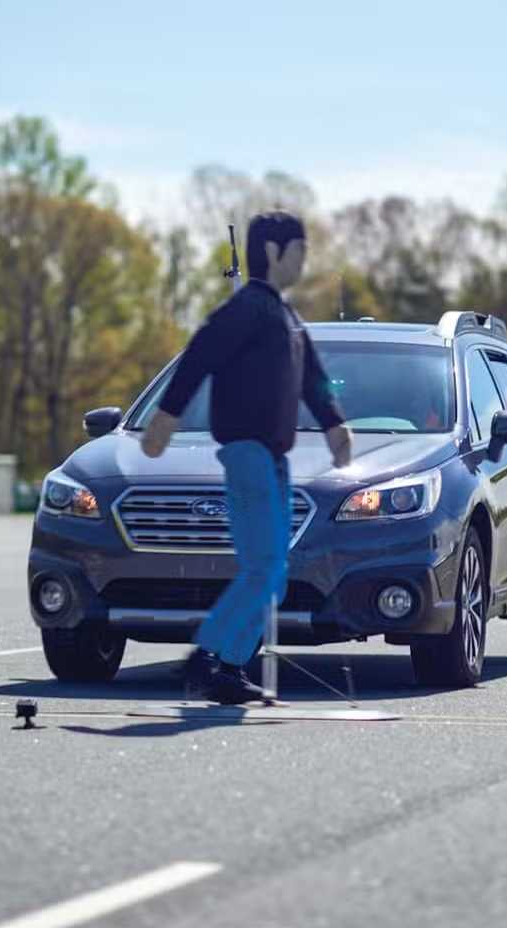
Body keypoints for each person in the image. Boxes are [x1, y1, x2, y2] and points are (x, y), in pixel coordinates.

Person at [140, 211, 352, 704]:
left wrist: (335, 424)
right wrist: (165, 419)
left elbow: (313, 380)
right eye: (298, 251)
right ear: (275, 253)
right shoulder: (248, 310)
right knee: (262, 568)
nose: (304, 261)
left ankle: (228, 669)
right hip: (247, 452)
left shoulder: (285, 317)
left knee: (274, 576)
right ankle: (207, 655)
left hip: (274, 459)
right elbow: (199, 356)